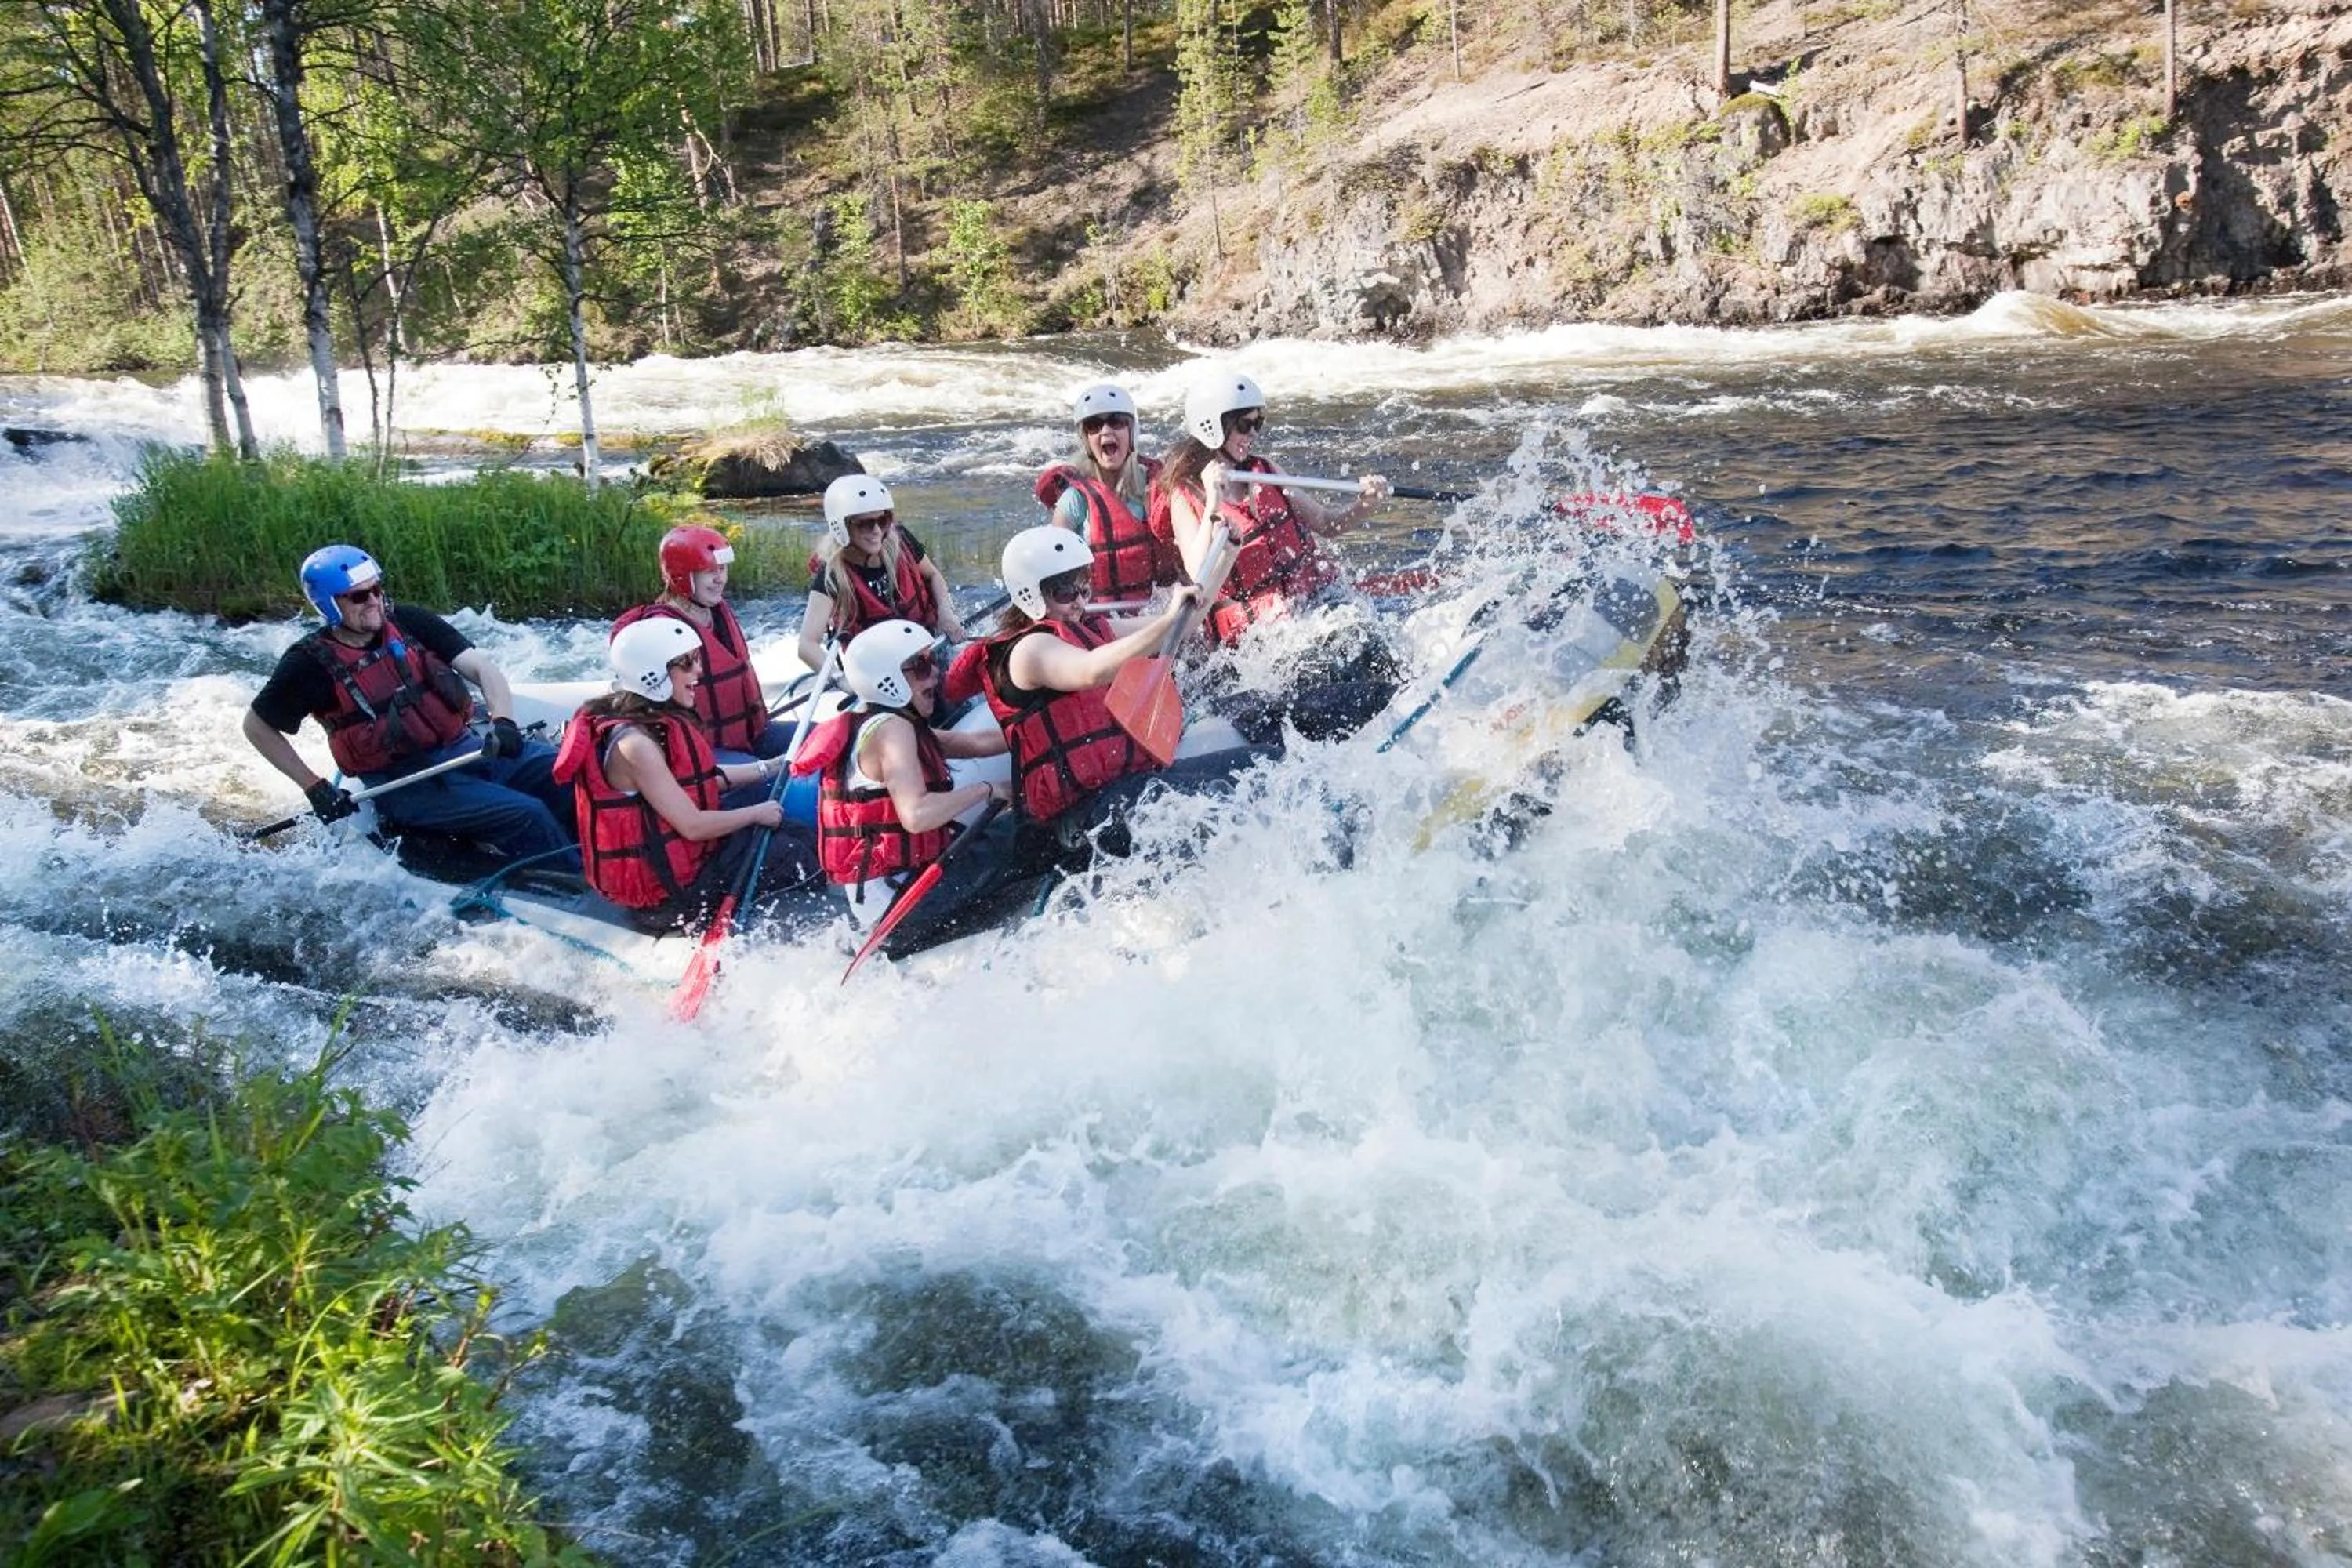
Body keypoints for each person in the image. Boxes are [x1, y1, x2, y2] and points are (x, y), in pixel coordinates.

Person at [243, 544, 573, 859]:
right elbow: (257, 727)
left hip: (468, 749)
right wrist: (313, 787)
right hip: (406, 785)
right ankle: (576, 883)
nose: (374, 601)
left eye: (376, 589)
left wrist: (503, 720)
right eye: (359, 596)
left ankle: (606, 857)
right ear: (329, 604)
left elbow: (482, 668)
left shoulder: (410, 621)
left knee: (569, 773)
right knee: (527, 814)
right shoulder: (308, 664)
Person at [1155, 369, 1404, 742]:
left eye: (1258, 423)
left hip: (1311, 609)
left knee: (1363, 641)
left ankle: (1406, 706)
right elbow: (1199, 568)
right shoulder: (1185, 494)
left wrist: (1364, 505)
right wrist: (1215, 500)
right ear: (1212, 426)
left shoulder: (1266, 471)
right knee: (1324, 668)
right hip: (1256, 645)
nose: (1253, 433)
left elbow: (1326, 522)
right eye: (1244, 424)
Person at [552, 618, 820, 930]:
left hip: (687, 866)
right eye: (687, 664)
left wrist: (770, 767)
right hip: (668, 897)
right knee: (794, 853)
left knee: (795, 833)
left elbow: (701, 781)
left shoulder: (648, 721)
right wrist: (756, 813)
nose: (699, 672)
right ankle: (802, 933)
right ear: (653, 674)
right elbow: (692, 826)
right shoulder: (636, 746)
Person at [790, 619, 1009, 927]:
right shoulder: (893, 732)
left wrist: (1038, 729)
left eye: (931, 661)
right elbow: (916, 814)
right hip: (899, 903)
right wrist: (988, 789)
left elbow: (976, 742)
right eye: (920, 665)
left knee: (1006, 828)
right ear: (887, 678)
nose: (934, 672)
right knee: (1023, 830)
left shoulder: (883, 722)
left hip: (888, 894)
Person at [612, 524, 788, 759]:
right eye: (709, 571)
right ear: (681, 576)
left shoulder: (718, 610)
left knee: (825, 739)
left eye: (723, 569)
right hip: (703, 752)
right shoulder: (661, 631)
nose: (720, 580)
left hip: (753, 735)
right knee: (772, 778)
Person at [1033, 383, 1183, 615]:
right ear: (1086, 439)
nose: (1105, 431)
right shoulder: (1075, 499)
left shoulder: (1161, 486)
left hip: (1160, 615)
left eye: (1116, 421)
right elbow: (1055, 574)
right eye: (1094, 425)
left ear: (1132, 430)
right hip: (1106, 620)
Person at [797, 474, 966, 673]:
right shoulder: (832, 574)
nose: (877, 530)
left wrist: (946, 613)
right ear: (841, 526)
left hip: (929, 647)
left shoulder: (903, 542)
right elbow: (807, 645)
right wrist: (842, 680)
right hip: (882, 672)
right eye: (865, 523)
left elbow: (933, 576)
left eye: (883, 520)